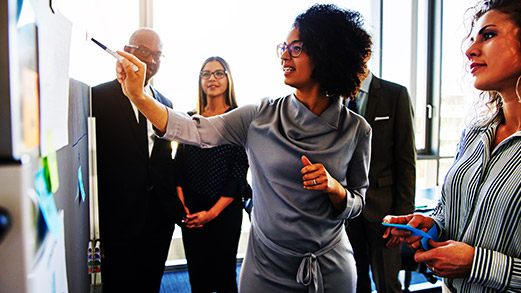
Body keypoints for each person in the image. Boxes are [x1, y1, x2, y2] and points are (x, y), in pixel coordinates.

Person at [117, 4, 373, 292]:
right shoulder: (259, 115)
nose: (284, 56)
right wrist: (138, 96)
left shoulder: (357, 129)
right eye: (283, 47)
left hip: (330, 268)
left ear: (325, 52)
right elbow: (192, 129)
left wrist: (334, 188)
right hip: (266, 267)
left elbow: (357, 203)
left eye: (296, 48)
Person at [383, 0, 521, 292]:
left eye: (488, 35)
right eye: (472, 39)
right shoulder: (475, 132)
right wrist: (431, 225)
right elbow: (451, 212)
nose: (470, 50)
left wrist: (476, 264)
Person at [92, 28, 183, 293]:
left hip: (158, 217)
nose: (152, 60)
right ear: (128, 51)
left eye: (157, 55)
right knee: (119, 284)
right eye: (145, 52)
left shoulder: (165, 103)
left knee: (150, 282)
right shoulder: (98, 98)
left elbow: (164, 161)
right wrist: (100, 229)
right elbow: (97, 166)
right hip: (118, 219)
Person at [175, 56, 249, 293]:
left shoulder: (239, 119)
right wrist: (182, 206)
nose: (212, 79)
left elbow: (238, 173)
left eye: (219, 73)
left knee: (225, 277)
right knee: (198, 277)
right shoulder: (190, 118)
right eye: (206, 74)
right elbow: (179, 166)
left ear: (228, 78)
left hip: (225, 209)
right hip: (191, 208)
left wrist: (211, 214)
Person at [346, 62, 416, 292]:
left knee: (388, 284)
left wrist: (403, 217)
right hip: (346, 209)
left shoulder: (395, 94)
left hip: (385, 211)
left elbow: (406, 161)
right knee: (355, 283)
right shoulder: (335, 96)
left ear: (364, 55)